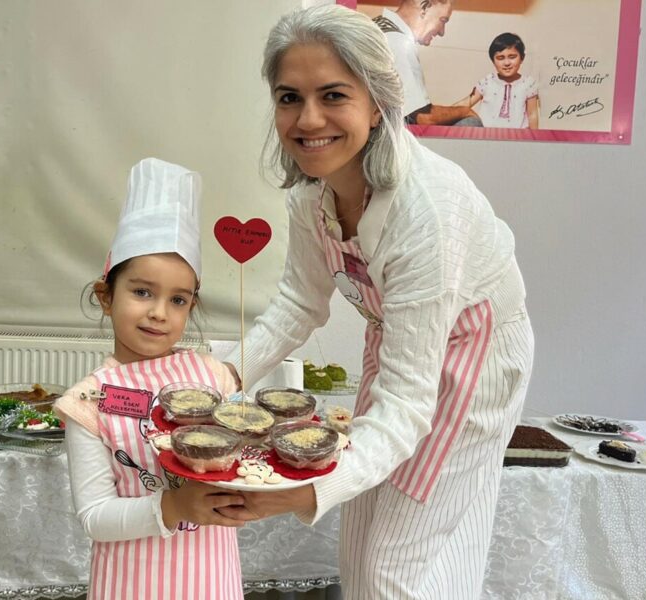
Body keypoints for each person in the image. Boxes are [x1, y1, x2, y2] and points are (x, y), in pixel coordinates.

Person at [217, 5, 533, 599]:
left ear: (378, 102)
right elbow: (299, 302)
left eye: (333, 95)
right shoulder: (312, 194)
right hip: (397, 340)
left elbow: (408, 405)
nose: (308, 120)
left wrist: (303, 493)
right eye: (289, 98)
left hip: (477, 355)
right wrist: (222, 376)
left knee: (395, 561)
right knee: (360, 539)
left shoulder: (426, 212)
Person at [53, 158, 247, 600]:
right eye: (142, 292)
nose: (159, 312)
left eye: (178, 300)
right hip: (131, 582)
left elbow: (246, 463)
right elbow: (94, 516)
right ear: (106, 296)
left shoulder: (216, 377)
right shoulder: (88, 401)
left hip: (212, 579)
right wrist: (172, 506)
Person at [374, 0, 481, 126]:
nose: (442, 32)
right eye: (443, 20)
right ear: (424, 8)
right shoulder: (397, 41)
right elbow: (422, 117)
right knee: (470, 123)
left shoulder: (378, 28)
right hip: (377, 134)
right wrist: (466, 112)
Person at [462, 32, 539, 129]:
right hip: (487, 134)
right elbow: (466, 104)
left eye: (512, 57)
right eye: (500, 58)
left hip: (518, 136)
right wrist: (445, 114)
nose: (507, 63)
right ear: (493, 61)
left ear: (522, 58)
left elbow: (532, 114)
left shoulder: (528, 84)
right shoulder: (487, 82)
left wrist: (534, 136)